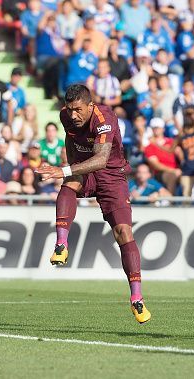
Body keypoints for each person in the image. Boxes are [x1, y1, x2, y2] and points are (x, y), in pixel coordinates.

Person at [36, 84, 151, 324]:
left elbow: (100, 160)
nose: (73, 115)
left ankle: (137, 298)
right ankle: (61, 244)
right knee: (69, 184)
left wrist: (63, 169)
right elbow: (71, 144)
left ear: (90, 105)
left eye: (78, 110)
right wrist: (68, 170)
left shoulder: (104, 117)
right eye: (70, 110)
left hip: (111, 174)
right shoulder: (66, 116)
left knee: (123, 233)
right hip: (84, 168)